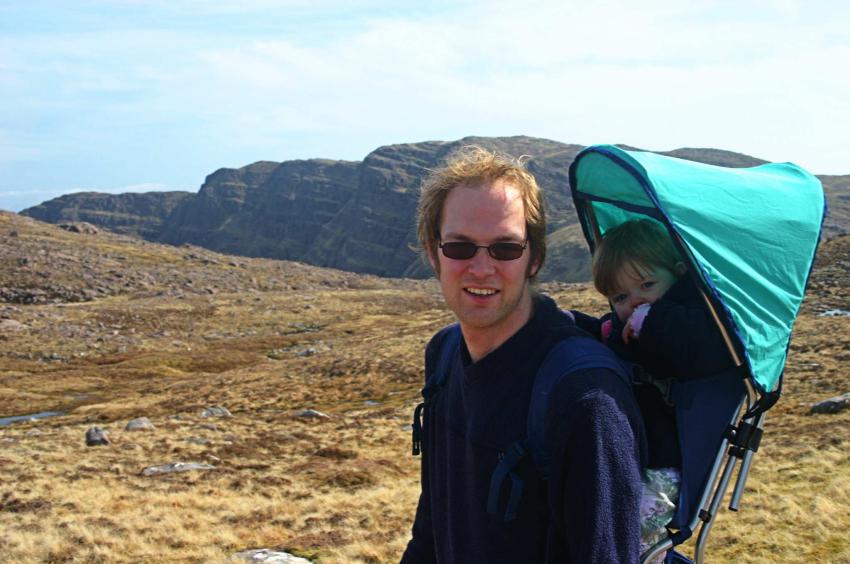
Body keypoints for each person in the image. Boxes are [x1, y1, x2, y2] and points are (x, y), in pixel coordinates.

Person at [401, 146, 647, 563]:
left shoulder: (586, 399)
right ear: (433, 253)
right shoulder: (444, 355)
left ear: (534, 258)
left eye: (505, 248)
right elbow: (432, 531)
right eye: (460, 248)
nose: (481, 268)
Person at [589, 218, 735, 556]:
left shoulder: (700, 320)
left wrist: (650, 320)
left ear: (680, 273)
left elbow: (697, 346)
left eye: (647, 285)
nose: (636, 302)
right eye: (621, 296)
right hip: (632, 456)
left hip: (666, 466)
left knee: (634, 539)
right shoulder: (636, 325)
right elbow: (611, 333)